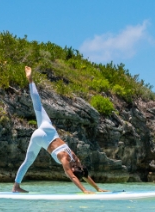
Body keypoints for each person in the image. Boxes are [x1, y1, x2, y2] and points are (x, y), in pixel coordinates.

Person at [13, 66, 107, 194]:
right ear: (74, 168)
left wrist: (97, 188)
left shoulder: (76, 160)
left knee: (38, 105)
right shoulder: (65, 159)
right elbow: (73, 176)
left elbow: (84, 174)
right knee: (28, 161)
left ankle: (31, 81)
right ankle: (16, 187)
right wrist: (84, 190)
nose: (72, 170)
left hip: (50, 129)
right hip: (40, 137)